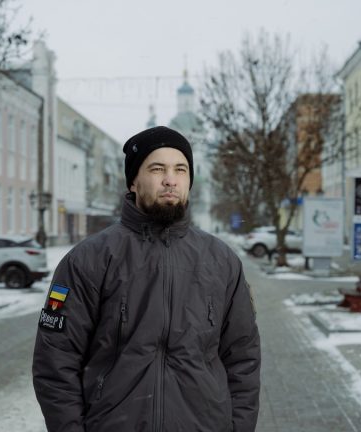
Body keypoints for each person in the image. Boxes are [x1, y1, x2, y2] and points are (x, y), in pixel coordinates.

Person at [32, 126, 261, 432]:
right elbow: (55, 362)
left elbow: (243, 358)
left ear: (189, 181)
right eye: (157, 168)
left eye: (180, 169)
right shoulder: (88, 260)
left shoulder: (222, 261)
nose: (170, 179)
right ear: (133, 182)